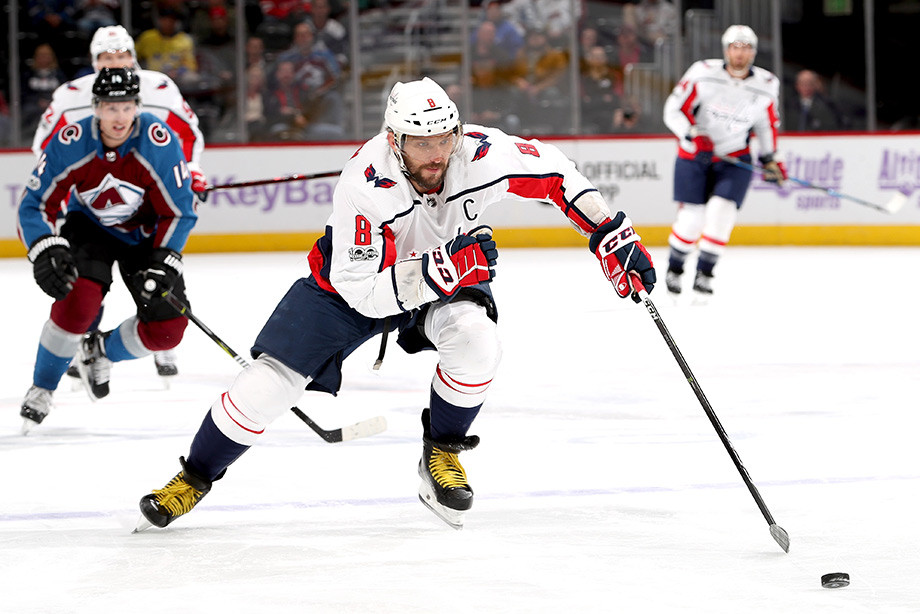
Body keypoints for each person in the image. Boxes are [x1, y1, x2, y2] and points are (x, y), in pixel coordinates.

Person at [135, 77, 656, 531]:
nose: (436, 153)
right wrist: (443, 268)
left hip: (448, 271)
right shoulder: (367, 181)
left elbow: (559, 175)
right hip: (352, 287)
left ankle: (442, 452)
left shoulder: (478, 153)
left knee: (478, 342)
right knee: (264, 386)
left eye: (443, 138)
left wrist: (609, 233)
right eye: (421, 142)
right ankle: (194, 477)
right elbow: (363, 290)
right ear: (394, 139)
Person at [18, 67, 196, 434]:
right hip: (89, 230)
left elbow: (180, 211)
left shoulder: (159, 143)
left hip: (145, 238)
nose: (119, 117)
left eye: (127, 106)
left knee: (168, 328)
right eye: (111, 108)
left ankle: (100, 351)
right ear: (96, 108)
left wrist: (165, 260)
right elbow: (33, 204)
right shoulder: (70, 140)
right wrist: (43, 246)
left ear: (138, 107)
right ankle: (42, 388)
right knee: (76, 307)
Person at [33, 25, 208, 377]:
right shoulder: (70, 95)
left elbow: (188, 133)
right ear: (94, 62)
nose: (116, 62)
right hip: (95, 208)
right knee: (83, 293)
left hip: (149, 206)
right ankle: (89, 343)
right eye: (106, 57)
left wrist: (190, 171)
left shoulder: (159, 86)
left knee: (161, 276)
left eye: (123, 55)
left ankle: (154, 342)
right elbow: (45, 149)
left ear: (134, 57)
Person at [662, 25, 786, 298]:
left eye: (746, 48)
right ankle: (675, 268)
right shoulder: (702, 72)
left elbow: (767, 125)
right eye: (735, 47)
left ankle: (705, 273)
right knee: (692, 218)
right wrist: (692, 134)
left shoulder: (766, 84)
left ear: (753, 52)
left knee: (722, 212)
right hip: (694, 155)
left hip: (733, 157)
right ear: (726, 49)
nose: (740, 53)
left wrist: (770, 159)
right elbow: (672, 110)